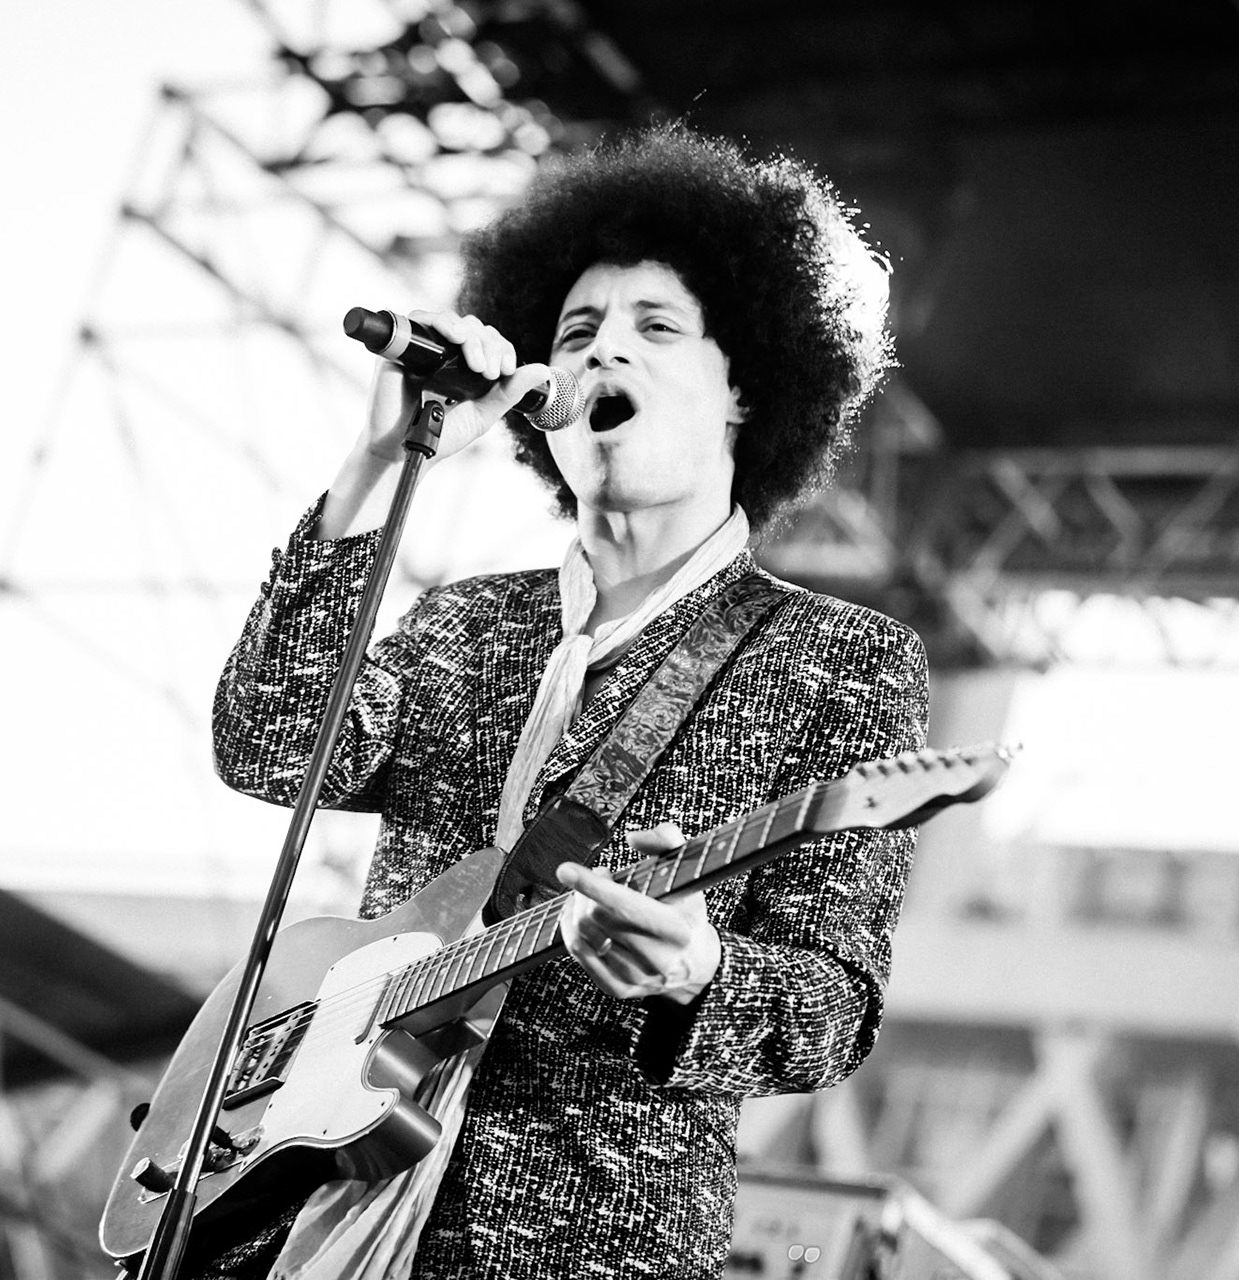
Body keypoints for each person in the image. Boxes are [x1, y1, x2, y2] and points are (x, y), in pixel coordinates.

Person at [202, 123, 928, 1279]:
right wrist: (380, 462)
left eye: (656, 328)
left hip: (583, 1236)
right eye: (577, 332)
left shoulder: (841, 659)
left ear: (745, 385)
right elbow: (268, 743)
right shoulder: (467, 620)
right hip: (305, 1217)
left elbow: (833, 1003)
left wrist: (698, 971)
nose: (605, 355)